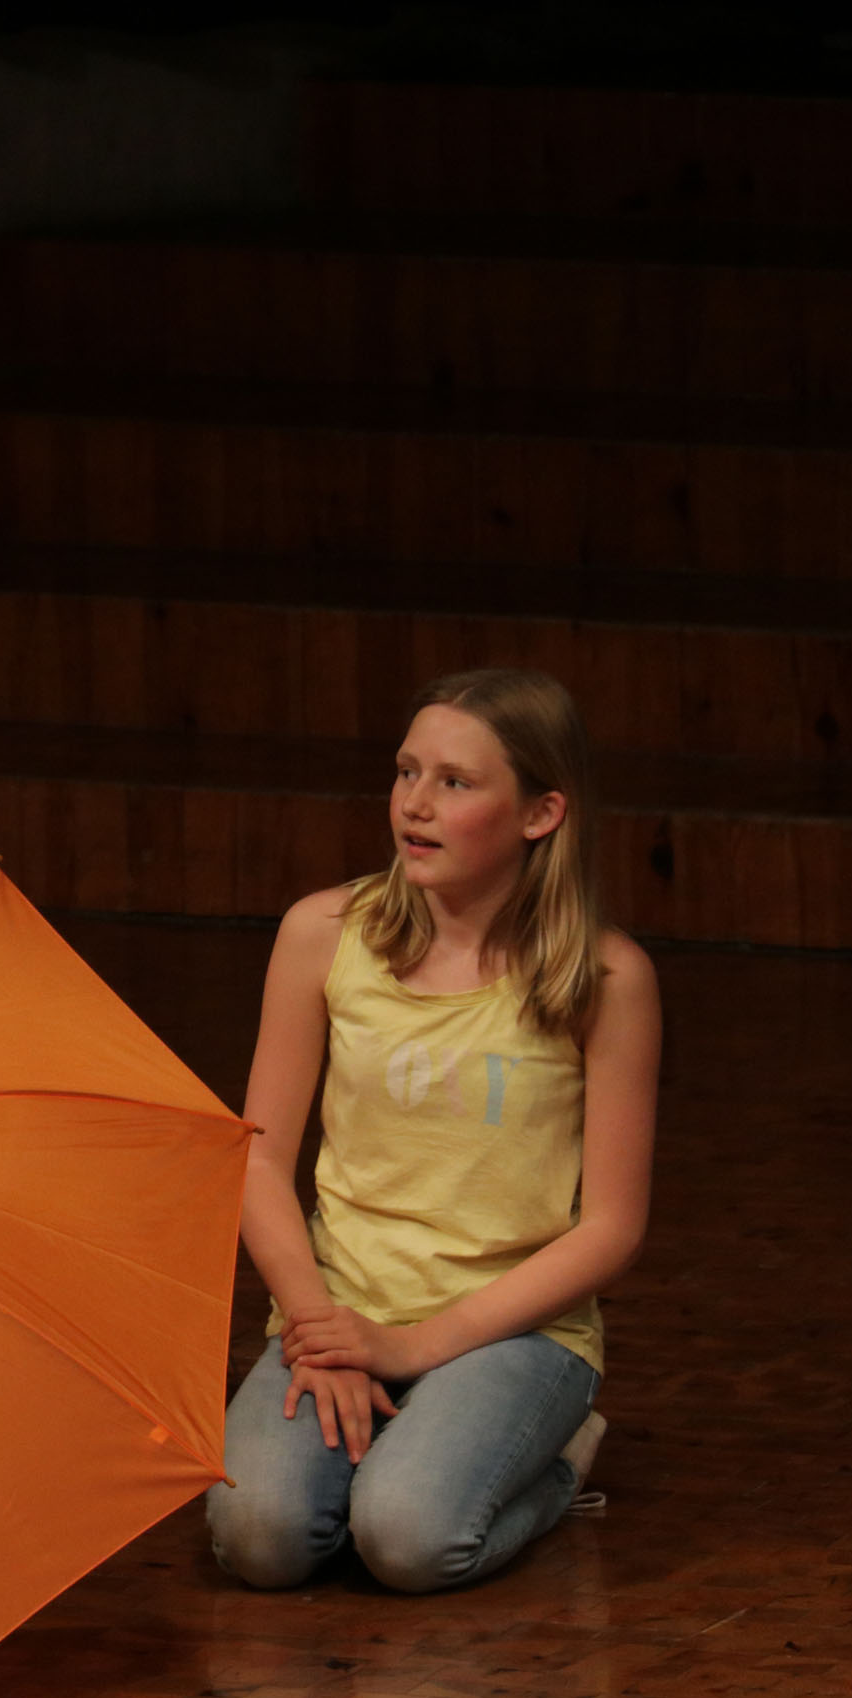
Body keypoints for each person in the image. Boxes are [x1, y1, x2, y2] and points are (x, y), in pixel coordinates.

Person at [206, 667, 659, 1593]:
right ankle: (407, 1459)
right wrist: (320, 1328)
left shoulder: (606, 978)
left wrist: (414, 1348)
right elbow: (256, 1161)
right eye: (407, 772)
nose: (414, 804)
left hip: (513, 1330)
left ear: (540, 813)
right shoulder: (322, 933)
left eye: (455, 782)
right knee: (260, 1539)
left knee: (408, 1541)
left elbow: (612, 1228)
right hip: (343, 1307)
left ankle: (558, 1463)